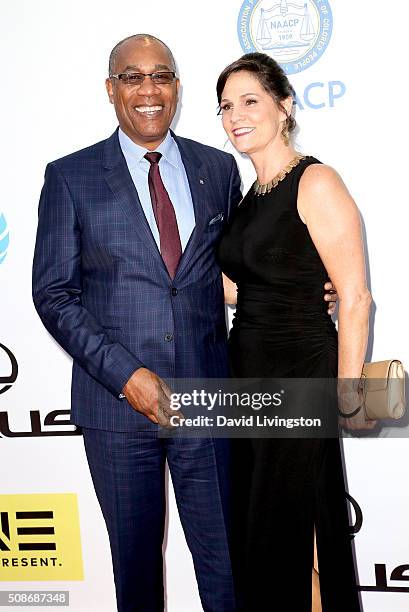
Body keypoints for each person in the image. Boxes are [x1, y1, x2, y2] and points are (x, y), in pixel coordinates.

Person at [32, 35, 336, 611]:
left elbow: (235, 265)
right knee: (138, 577)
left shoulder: (217, 168)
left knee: (229, 574)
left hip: (210, 403)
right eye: (132, 77)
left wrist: (299, 289)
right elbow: (54, 295)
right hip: (118, 409)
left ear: (176, 87)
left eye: (162, 76)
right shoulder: (70, 177)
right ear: (110, 88)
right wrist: (128, 376)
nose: (148, 90)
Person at [216, 53, 375, 612]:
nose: (236, 116)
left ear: (284, 107)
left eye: (250, 101)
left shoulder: (317, 181)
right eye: (226, 107)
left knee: (295, 532)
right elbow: (248, 288)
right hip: (249, 383)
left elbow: (354, 297)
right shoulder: (251, 196)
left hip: (298, 380)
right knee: (262, 534)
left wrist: (349, 395)